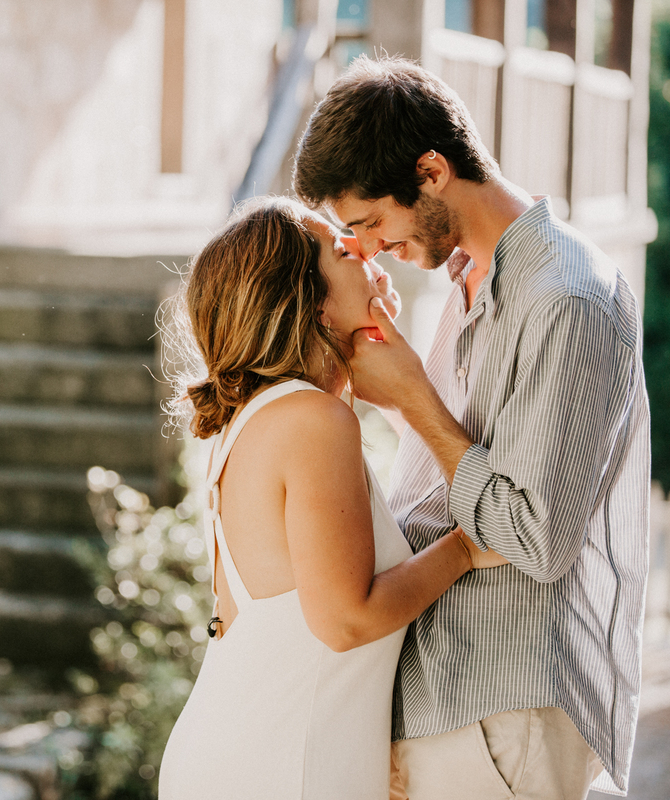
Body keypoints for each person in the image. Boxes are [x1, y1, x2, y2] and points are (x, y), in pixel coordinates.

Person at [293, 55, 650, 799]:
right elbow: (455, 476)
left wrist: (414, 400)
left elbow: (534, 535)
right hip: (440, 695)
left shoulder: (567, 298)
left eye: (369, 222)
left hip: (502, 708)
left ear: (429, 170)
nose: (369, 246)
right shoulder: (466, 282)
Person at [157, 196, 506, 800]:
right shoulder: (314, 422)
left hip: (237, 756)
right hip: (278, 770)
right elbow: (347, 620)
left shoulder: (267, 417)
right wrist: (467, 549)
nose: (371, 255)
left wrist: (393, 385)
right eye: (347, 251)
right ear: (311, 299)